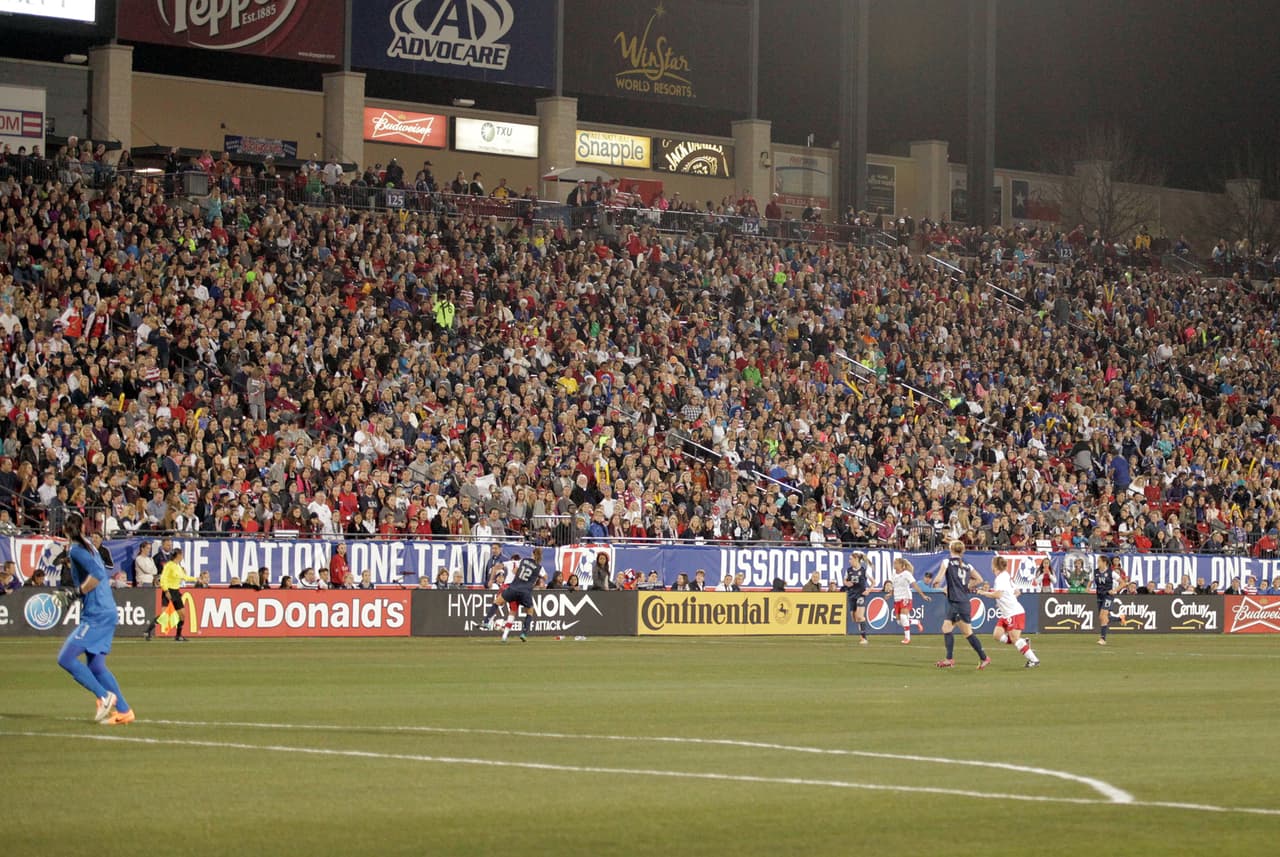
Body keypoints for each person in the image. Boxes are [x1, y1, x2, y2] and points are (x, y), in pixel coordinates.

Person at [54, 511, 135, 724]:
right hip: (106, 609)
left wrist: (76, 592)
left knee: (66, 658)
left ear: (64, 530)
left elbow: (98, 576)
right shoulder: (89, 544)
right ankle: (125, 711)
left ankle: (104, 696)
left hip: (97, 614)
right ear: (83, 528)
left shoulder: (76, 550)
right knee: (96, 667)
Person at [929, 541, 991, 669]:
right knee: (947, 628)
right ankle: (950, 659)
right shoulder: (967, 565)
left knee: (967, 632)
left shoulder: (947, 562)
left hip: (957, 602)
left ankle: (983, 657)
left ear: (950, 549)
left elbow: (938, 579)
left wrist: (937, 584)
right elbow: (979, 579)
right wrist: (965, 587)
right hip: (960, 601)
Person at [977, 556, 1040, 668]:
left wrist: (983, 593)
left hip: (1014, 613)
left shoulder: (1000, 578)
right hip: (1007, 613)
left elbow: (998, 594)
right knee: (997, 635)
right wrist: (1005, 600)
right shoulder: (1006, 575)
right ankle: (1022, 642)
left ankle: (1034, 660)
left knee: (1014, 638)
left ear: (995, 566)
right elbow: (1017, 592)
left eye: (992, 564)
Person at [480, 548, 544, 642]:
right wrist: (535, 581)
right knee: (529, 612)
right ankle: (524, 633)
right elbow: (544, 577)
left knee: (497, 602)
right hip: (525, 591)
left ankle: (486, 622)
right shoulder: (539, 567)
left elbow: (513, 571)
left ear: (532, 554)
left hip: (513, 588)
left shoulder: (523, 560)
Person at [143, 547, 197, 641]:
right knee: (165, 615)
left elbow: (183, 577)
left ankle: (178, 635)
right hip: (169, 591)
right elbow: (163, 579)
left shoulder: (178, 566)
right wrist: (166, 591)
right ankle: (148, 631)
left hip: (176, 592)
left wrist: (195, 579)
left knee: (182, 615)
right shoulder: (169, 565)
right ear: (179, 555)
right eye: (182, 554)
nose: (182, 556)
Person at [885, 557, 930, 644]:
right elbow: (894, 587)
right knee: (899, 621)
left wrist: (923, 595)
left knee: (903, 617)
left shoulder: (906, 574)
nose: (894, 564)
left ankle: (907, 638)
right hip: (897, 598)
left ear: (901, 565)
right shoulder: (893, 574)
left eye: (896, 563)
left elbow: (914, 585)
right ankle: (916, 621)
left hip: (906, 597)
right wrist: (890, 594)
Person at [1091, 555, 1126, 645]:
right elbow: (1090, 582)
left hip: (1108, 596)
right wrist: (1088, 588)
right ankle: (1120, 618)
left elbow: (1123, 583)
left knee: (1103, 616)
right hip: (1099, 596)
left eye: (1099, 561)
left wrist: (1114, 590)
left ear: (1104, 562)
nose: (1097, 563)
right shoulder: (1095, 572)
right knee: (1102, 617)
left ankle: (1103, 639)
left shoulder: (1111, 573)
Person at [841, 551, 872, 645]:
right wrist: (847, 583)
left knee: (859, 617)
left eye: (851, 559)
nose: (849, 561)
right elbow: (844, 581)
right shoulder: (848, 570)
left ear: (856, 560)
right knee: (854, 619)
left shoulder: (864, 571)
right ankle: (862, 633)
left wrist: (868, 590)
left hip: (860, 595)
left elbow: (873, 582)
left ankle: (864, 638)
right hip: (851, 595)